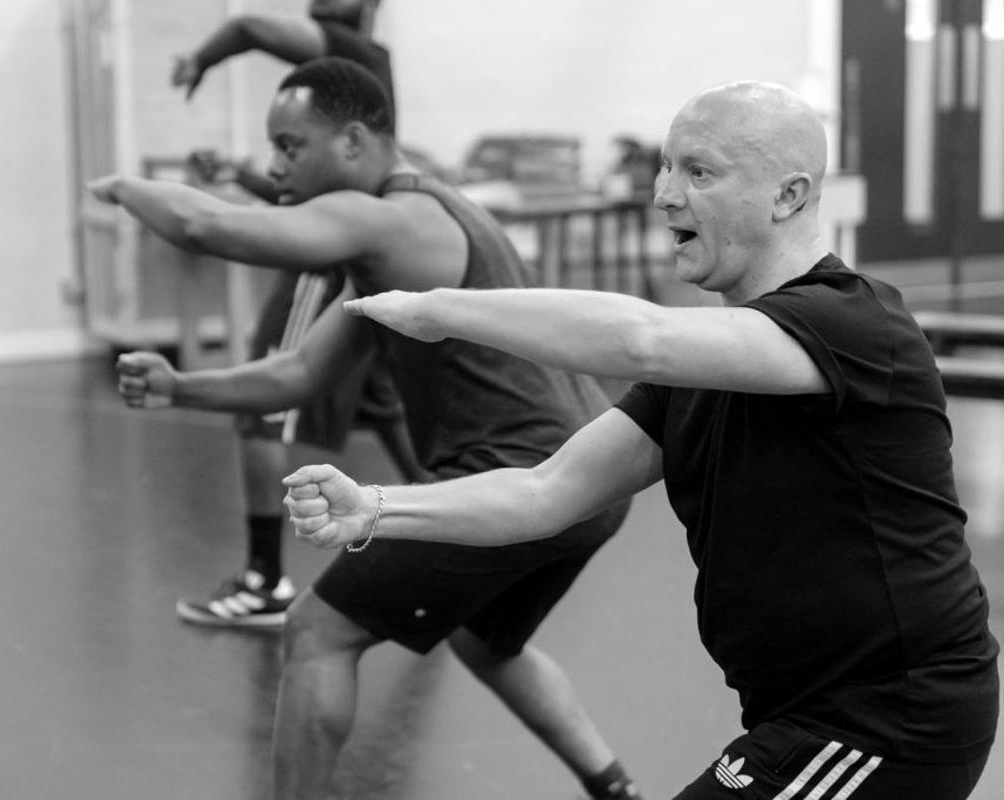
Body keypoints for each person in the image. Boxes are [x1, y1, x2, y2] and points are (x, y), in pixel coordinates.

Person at [285, 80, 999, 799]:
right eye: (664, 166)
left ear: (786, 197)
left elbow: (639, 338)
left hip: (887, 718)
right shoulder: (705, 366)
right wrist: (373, 507)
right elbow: (543, 493)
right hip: (795, 711)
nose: (662, 194)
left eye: (698, 171)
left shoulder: (854, 325)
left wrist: (442, 307)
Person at [91, 58, 643, 800]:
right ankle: (614, 788)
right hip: (592, 478)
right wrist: (179, 387)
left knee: (318, 631)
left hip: (523, 472)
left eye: (291, 146)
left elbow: (204, 224)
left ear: (352, 142)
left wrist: (124, 187)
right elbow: (296, 375)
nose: (275, 165)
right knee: (486, 643)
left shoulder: (394, 218)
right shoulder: (398, 240)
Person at [169, 0, 426, 627]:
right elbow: (309, 192)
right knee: (381, 405)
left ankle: (265, 579)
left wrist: (198, 59)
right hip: (352, 260)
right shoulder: (359, 80)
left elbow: (252, 25)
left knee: (259, 409)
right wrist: (245, 177)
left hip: (325, 267)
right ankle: (464, 532)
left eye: (289, 145)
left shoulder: (356, 56)